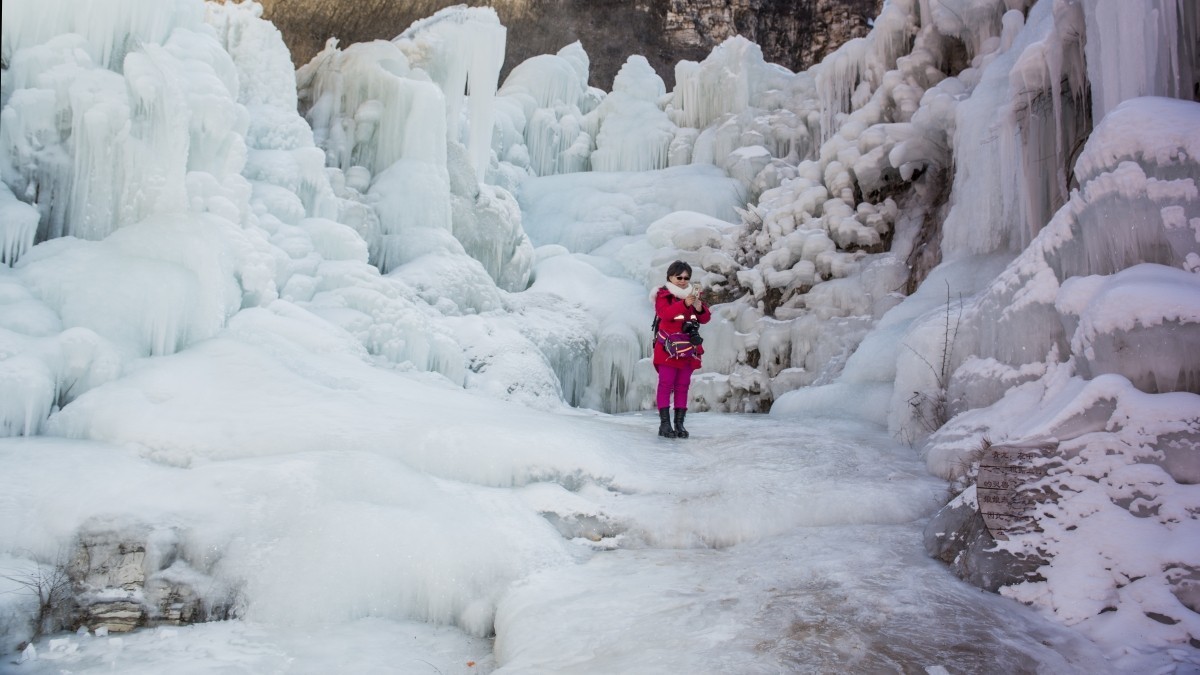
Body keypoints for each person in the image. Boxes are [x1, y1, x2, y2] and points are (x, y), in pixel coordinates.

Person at [652, 260, 710, 438]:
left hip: (688, 349)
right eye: (679, 277)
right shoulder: (663, 295)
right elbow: (665, 314)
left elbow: (705, 319)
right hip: (668, 349)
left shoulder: (692, 295)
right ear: (670, 277)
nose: (683, 280)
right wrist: (684, 304)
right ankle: (664, 424)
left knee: (682, 386)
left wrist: (699, 308)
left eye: (686, 277)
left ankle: (679, 424)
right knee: (665, 384)